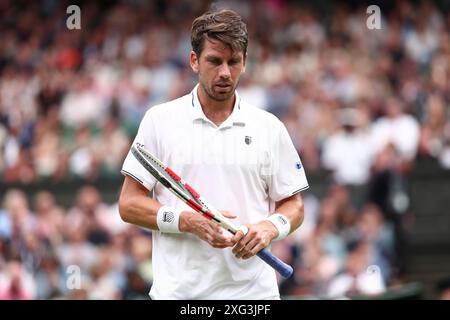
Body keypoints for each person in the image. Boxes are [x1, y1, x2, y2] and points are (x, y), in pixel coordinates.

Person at [118, 9, 309, 300]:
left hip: (253, 297)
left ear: (244, 62)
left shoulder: (269, 127)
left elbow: (294, 206)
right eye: (214, 61)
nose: (224, 72)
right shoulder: (160, 120)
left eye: (233, 62)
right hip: (179, 297)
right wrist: (189, 222)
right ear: (194, 61)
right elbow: (129, 204)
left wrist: (269, 228)